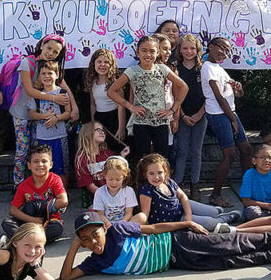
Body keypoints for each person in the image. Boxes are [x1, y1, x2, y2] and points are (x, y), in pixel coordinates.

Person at [59, 210, 271, 280]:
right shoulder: (95, 262)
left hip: (177, 242)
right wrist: (74, 245)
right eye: (86, 240)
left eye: (95, 235)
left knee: (228, 243)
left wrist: (186, 223)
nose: (93, 242)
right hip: (177, 262)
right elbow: (66, 277)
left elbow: (155, 228)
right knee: (227, 261)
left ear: (104, 229)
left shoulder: (118, 229)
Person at [8, 34, 79, 183]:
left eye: (55, 52)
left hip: (41, 116)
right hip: (21, 113)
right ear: (41, 45)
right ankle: (18, 183)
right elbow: (30, 90)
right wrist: (54, 98)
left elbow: (64, 88)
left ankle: (38, 183)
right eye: (49, 48)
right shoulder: (27, 63)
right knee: (22, 149)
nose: (51, 53)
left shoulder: (51, 66)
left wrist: (74, 107)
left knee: (37, 151)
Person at [107, 36, 186, 164]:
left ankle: (161, 183)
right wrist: (131, 107)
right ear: (137, 52)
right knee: (141, 158)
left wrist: (172, 109)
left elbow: (183, 87)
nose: (148, 54)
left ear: (157, 52)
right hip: (141, 122)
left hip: (160, 122)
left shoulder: (163, 69)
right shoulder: (132, 71)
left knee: (162, 159)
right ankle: (141, 183)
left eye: (152, 51)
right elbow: (111, 91)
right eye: (144, 50)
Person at [198, 37, 251, 206]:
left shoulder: (219, 68)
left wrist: (239, 88)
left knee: (246, 149)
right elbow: (218, 98)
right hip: (219, 114)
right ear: (211, 47)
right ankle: (215, 194)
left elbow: (236, 95)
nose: (225, 53)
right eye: (222, 48)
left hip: (229, 113)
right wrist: (232, 120)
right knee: (229, 154)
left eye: (228, 51)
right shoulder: (207, 67)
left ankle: (250, 188)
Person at [136, 153, 242, 232]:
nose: (156, 177)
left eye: (160, 172)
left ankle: (216, 211)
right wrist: (147, 231)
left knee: (213, 212)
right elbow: (145, 215)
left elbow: (183, 197)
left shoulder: (168, 182)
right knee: (211, 223)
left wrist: (189, 215)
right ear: (145, 175)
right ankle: (225, 218)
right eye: (151, 174)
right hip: (176, 220)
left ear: (166, 172)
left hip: (182, 208)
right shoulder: (147, 190)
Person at [2, 144, 68, 244]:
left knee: (56, 229)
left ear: (51, 164)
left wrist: (44, 206)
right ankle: (31, 240)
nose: (40, 165)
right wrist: (32, 220)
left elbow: (64, 201)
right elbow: (13, 210)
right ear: (29, 165)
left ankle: (20, 240)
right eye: (36, 161)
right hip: (29, 220)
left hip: (49, 220)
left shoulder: (55, 179)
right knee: (7, 223)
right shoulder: (23, 185)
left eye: (44, 161)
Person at [173, 34, 206, 199]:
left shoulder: (203, 68)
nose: (188, 51)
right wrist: (183, 115)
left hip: (201, 115)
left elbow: (210, 95)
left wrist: (200, 114)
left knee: (196, 151)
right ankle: (176, 185)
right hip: (182, 115)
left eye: (192, 48)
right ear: (179, 49)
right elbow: (173, 94)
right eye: (185, 48)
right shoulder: (175, 68)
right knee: (182, 151)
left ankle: (195, 185)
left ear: (198, 49)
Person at [29, 61, 74, 182]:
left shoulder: (62, 93)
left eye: (50, 73)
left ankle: (62, 193)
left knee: (62, 167)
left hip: (59, 137)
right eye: (43, 73)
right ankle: (46, 194)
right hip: (42, 137)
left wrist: (57, 118)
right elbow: (32, 114)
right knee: (43, 167)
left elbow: (68, 112)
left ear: (57, 74)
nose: (47, 76)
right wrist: (43, 116)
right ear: (39, 76)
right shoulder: (37, 94)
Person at [85, 49, 126, 154]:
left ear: (111, 65)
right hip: (100, 119)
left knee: (113, 148)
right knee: (101, 149)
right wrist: (94, 123)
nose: (102, 65)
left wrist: (121, 128)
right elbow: (92, 105)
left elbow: (121, 106)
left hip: (113, 119)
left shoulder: (114, 83)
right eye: (99, 62)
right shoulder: (92, 83)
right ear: (93, 64)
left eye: (106, 62)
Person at [239, 144, 271, 221]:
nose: (266, 160)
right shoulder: (249, 175)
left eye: (270, 158)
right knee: (251, 212)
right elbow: (246, 201)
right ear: (254, 161)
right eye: (262, 157)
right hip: (257, 208)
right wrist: (268, 206)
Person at [91, 156, 138, 224]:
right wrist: (109, 225)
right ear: (105, 176)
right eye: (110, 179)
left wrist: (120, 224)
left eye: (118, 179)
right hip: (106, 224)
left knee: (141, 217)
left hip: (124, 224)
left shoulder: (129, 191)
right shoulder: (99, 192)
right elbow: (101, 214)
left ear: (124, 177)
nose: (114, 183)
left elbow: (129, 214)